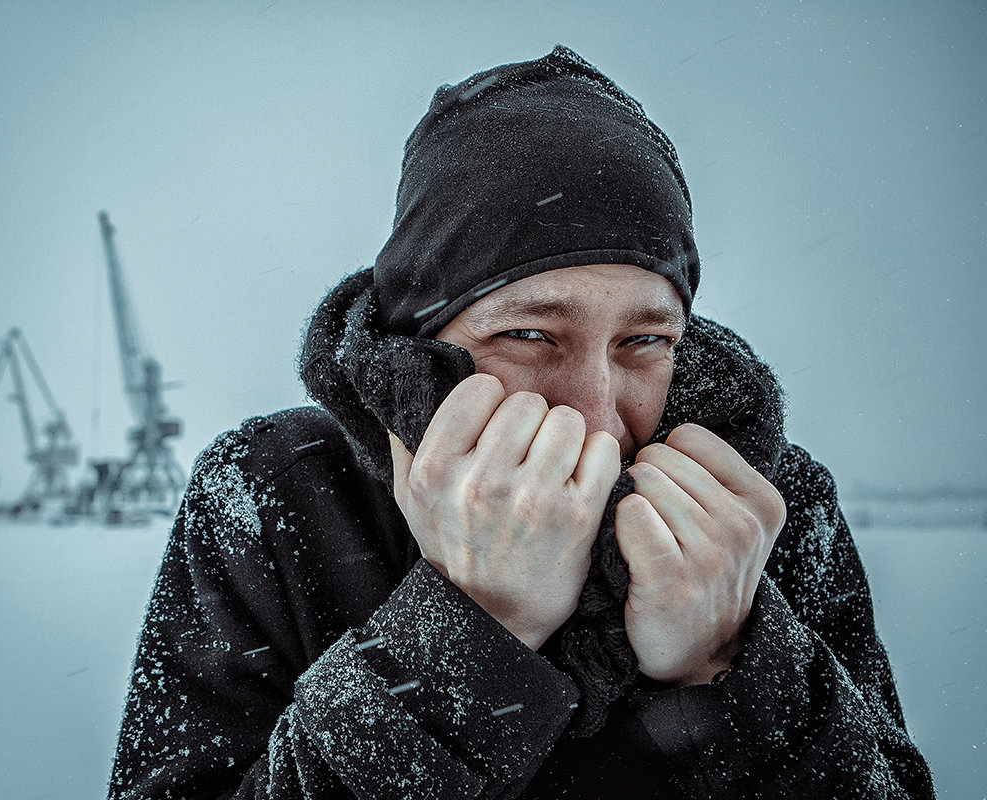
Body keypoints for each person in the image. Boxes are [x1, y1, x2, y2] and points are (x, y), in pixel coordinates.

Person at [107, 46, 934, 798]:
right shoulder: (276, 496)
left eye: (644, 340)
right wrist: (469, 633)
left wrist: (729, 665)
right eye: (530, 335)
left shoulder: (765, 508)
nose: (599, 415)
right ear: (422, 337)